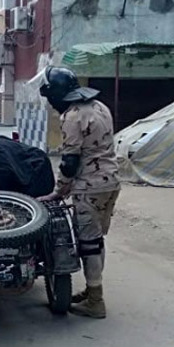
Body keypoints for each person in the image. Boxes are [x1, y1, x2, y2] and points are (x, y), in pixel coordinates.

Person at [38, 66, 120, 319]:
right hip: (111, 182)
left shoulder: (72, 116)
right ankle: (93, 289)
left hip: (89, 186)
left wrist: (58, 191)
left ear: (57, 94)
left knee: (88, 245)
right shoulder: (100, 107)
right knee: (97, 240)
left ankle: (96, 302)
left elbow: (70, 162)